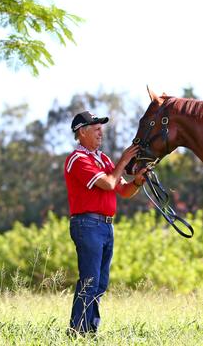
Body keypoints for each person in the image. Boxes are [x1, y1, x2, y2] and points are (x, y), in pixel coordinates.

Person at [64, 110, 147, 335]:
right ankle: (77, 331)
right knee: (90, 281)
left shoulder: (103, 159)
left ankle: (89, 331)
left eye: (101, 128)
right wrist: (124, 160)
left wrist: (137, 182)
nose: (101, 133)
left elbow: (123, 190)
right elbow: (109, 184)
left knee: (99, 284)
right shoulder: (77, 160)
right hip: (87, 225)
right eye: (96, 129)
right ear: (82, 132)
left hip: (105, 226)